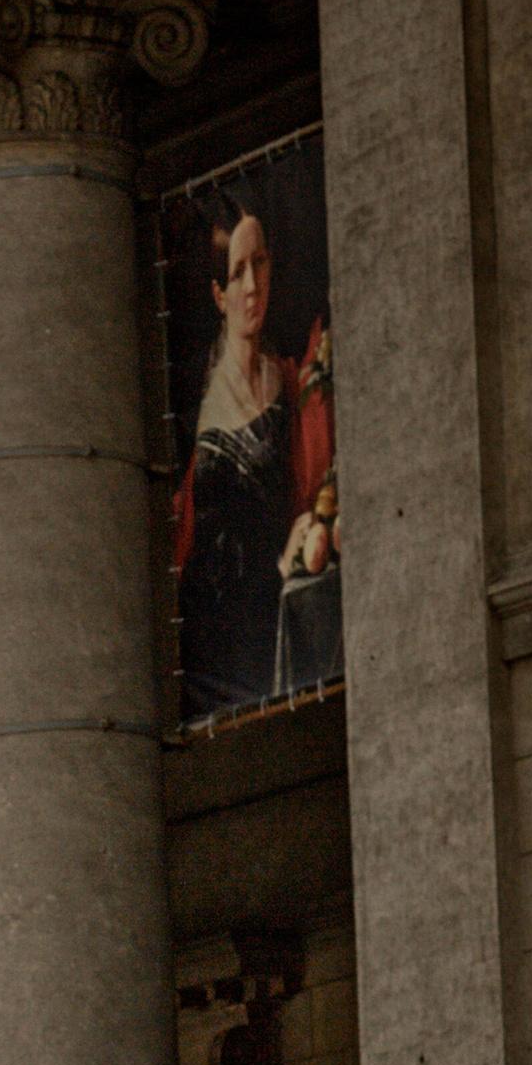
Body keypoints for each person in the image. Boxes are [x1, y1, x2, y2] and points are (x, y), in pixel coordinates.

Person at [171, 209, 336, 720]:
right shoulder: (197, 405)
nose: (251, 286)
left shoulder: (282, 377)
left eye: (259, 264)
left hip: (278, 605)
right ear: (218, 295)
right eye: (237, 272)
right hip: (223, 637)